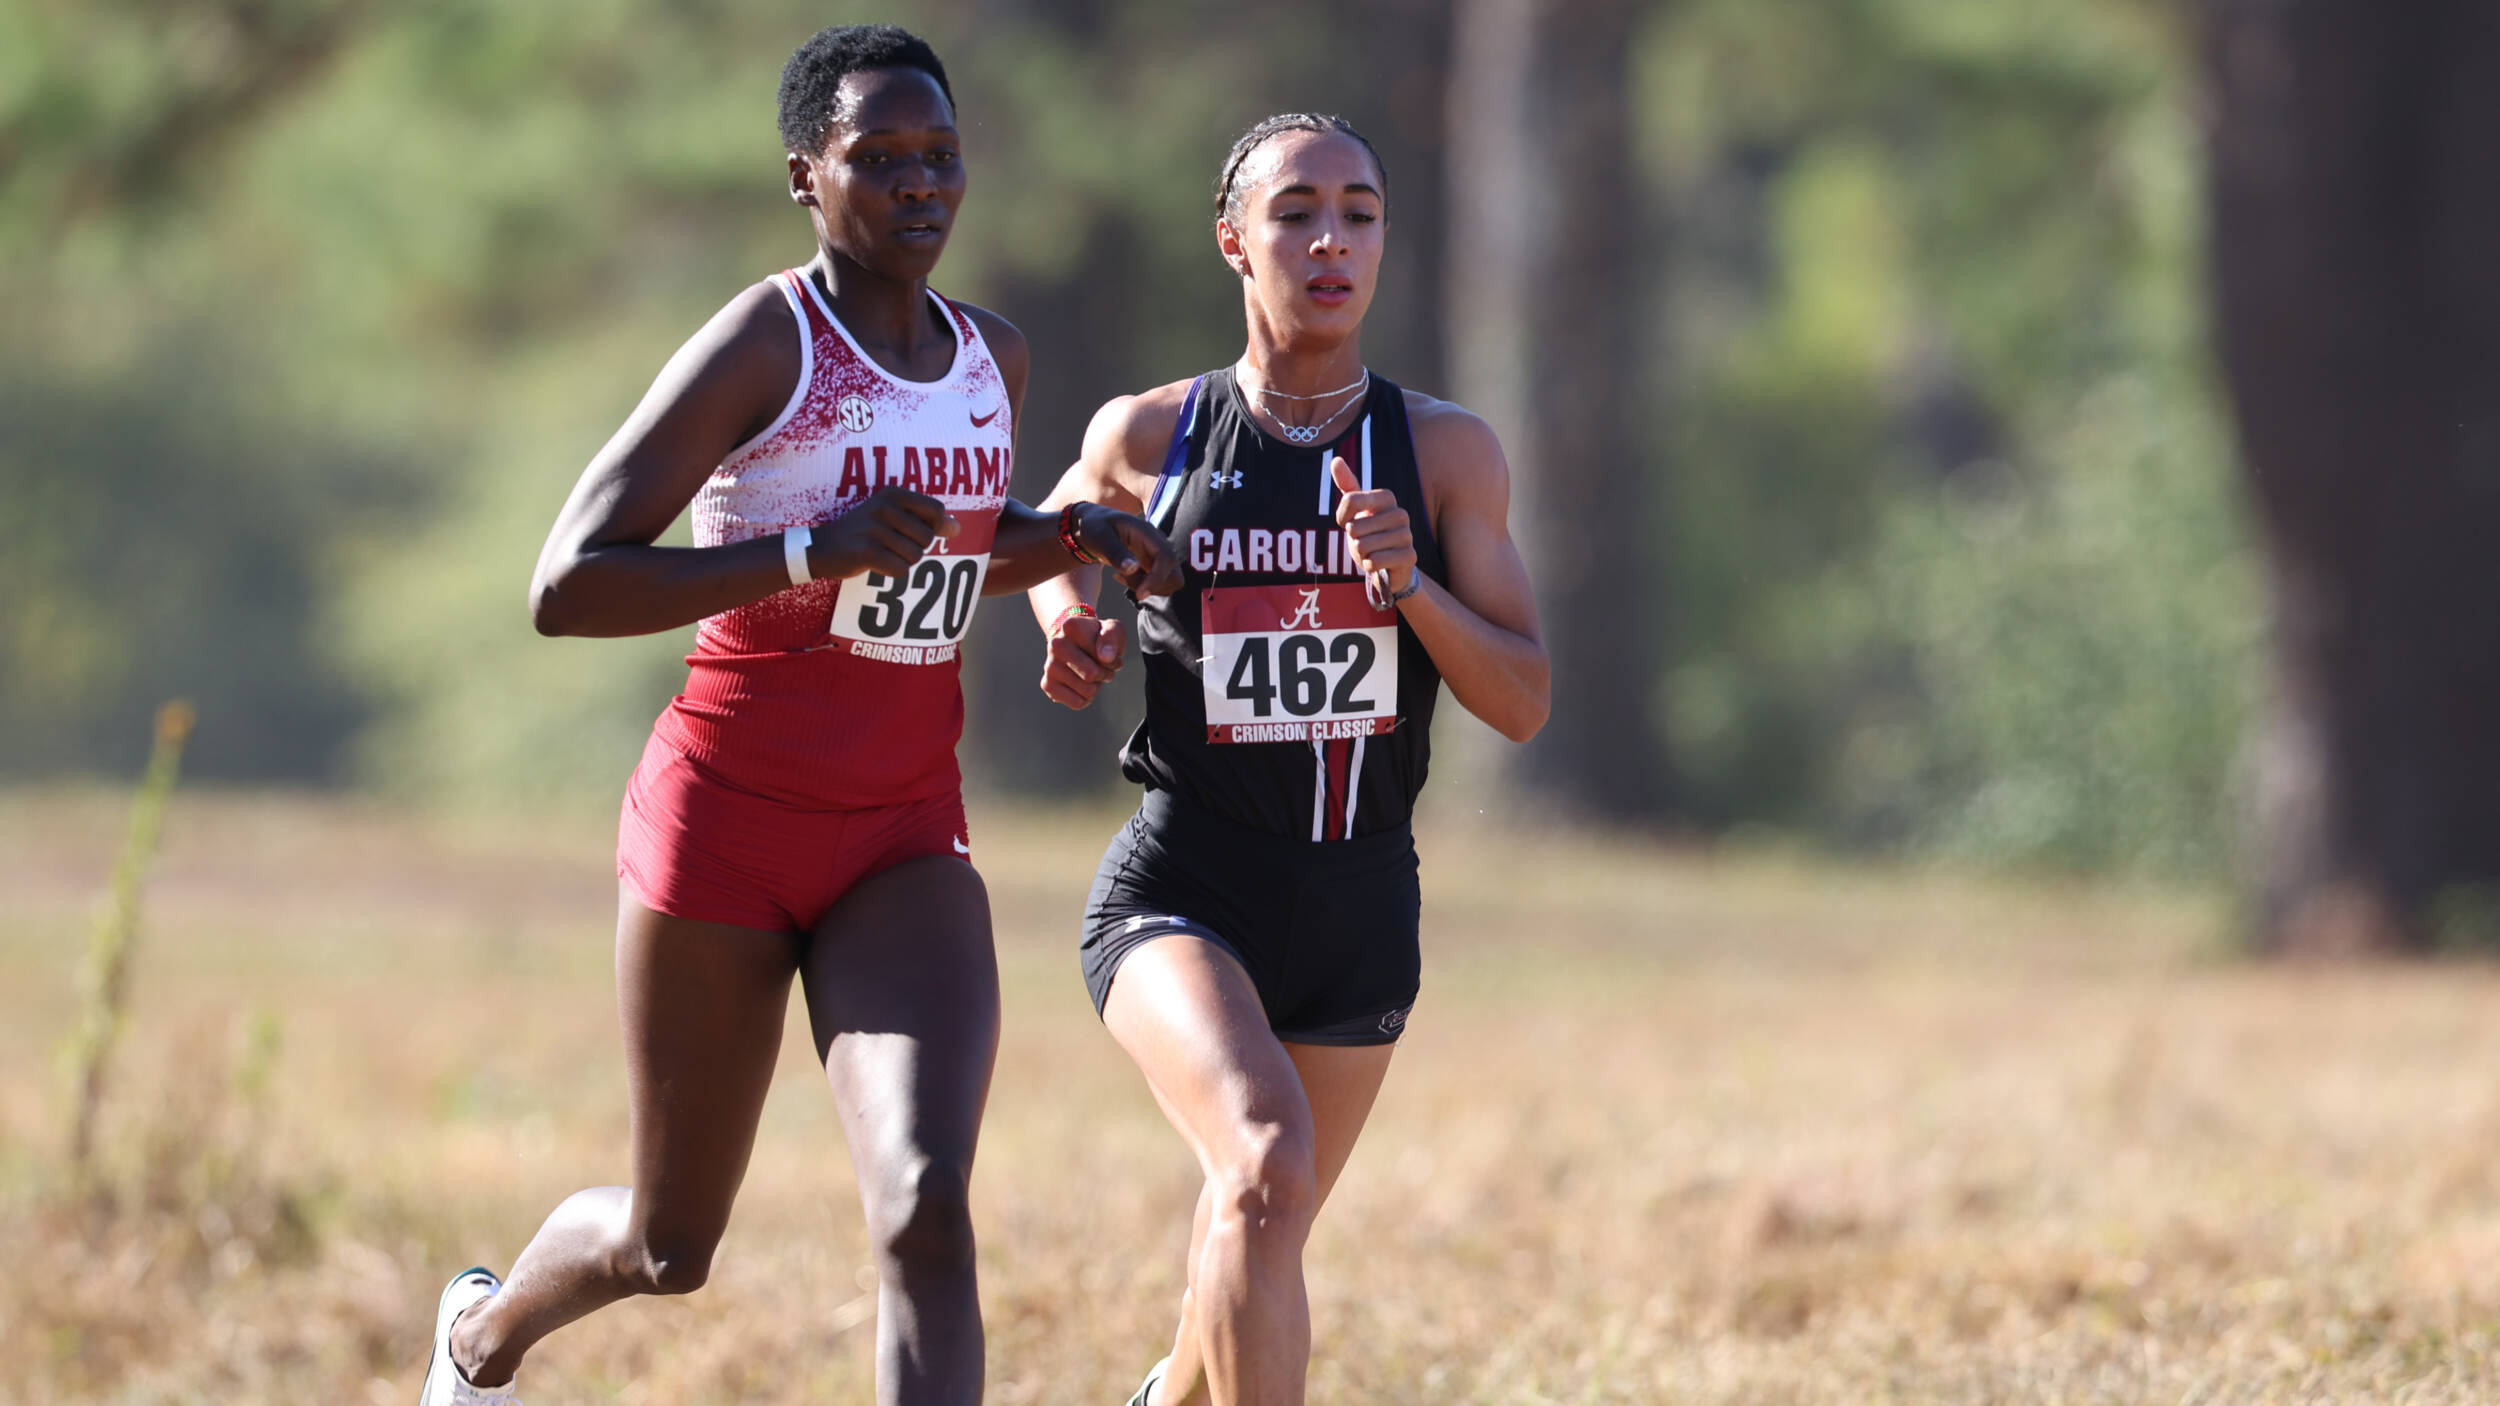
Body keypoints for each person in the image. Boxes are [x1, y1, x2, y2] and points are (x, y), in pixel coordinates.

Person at [417, 24, 1178, 1406]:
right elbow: (567, 583)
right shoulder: (768, 342)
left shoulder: (988, 356)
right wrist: (800, 554)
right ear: (804, 176)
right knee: (669, 1242)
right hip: (726, 827)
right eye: (876, 157)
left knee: (925, 1207)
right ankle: (478, 1340)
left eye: (939, 155)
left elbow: (943, 543)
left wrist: (1067, 539)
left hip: (900, 830)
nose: (917, 184)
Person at [1025, 113, 1550, 1406]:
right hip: (1185, 887)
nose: (1332, 240)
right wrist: (1073, 626)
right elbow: (1047, 544)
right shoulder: (1154, 434)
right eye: (1297, 211)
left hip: (1360, 902)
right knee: (1263, 1162)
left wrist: (1410, 583)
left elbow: (1525, 698)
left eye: (1361, 213)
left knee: (1259, 1222)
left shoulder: (1440, 453)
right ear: (1233, 239)